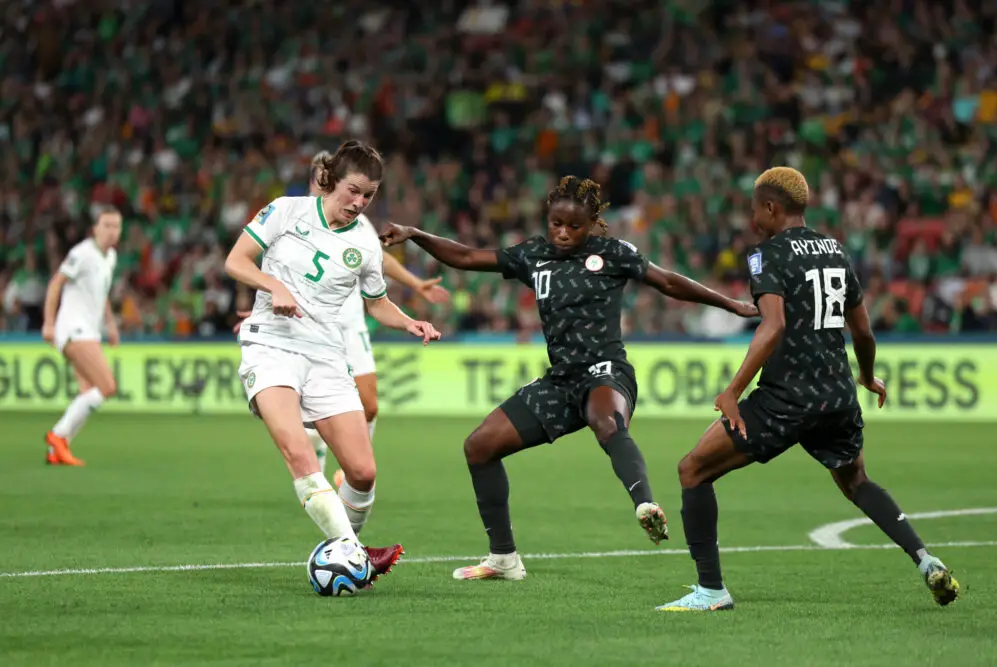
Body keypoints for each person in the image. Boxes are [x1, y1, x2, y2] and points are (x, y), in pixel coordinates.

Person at [380, 176, 758, 581]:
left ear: (592, 224)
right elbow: (468, 257)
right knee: (479, 446)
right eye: (556, 223)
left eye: (574, 226)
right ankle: (503, 558)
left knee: (606, 420)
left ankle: (645, 504)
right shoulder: (534, 255)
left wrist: (730, 304)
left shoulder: (613, 253)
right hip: (561, 381)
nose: (562, 232)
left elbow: (667, 281)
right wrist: (416, 234)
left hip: (606, 370)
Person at [656, 167, 959, 612]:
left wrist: (733, 390)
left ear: (771, 208)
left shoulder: (766, 255)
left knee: (693, 470)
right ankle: (925, 559)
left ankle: (711, 591)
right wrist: (866, 375)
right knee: (856, 481)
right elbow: (863, 331)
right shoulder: (835, 250)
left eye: (755, 208)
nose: (752, 217)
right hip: (836, 395)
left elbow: (773, 326)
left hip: (787, 398)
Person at [224, 140, 441, 583]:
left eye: (369, 196)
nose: (359, 203)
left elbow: (376, 303)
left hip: (326, 354)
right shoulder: (286, 211)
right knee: (299, 453)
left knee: (362, 472)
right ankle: (356, 555)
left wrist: (409, 322)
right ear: (329, 180)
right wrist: (273, 285)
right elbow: (235, 261)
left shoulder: (365, 242)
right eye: (353, 191)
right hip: (271, 346)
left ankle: (348, 551)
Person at [41, 206, 123, 466]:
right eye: (106, 225)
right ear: (95, 229)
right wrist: (48, 323)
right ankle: (57, 434)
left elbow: (102, 294)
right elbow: (56, 283)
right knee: (107, 387)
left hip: (90, 331)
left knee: (87, 392)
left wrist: (110, 324)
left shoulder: (110, 257)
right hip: (73, 329)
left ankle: (57, 450)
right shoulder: (82, 253)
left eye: (116, 226)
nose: (112, 231)